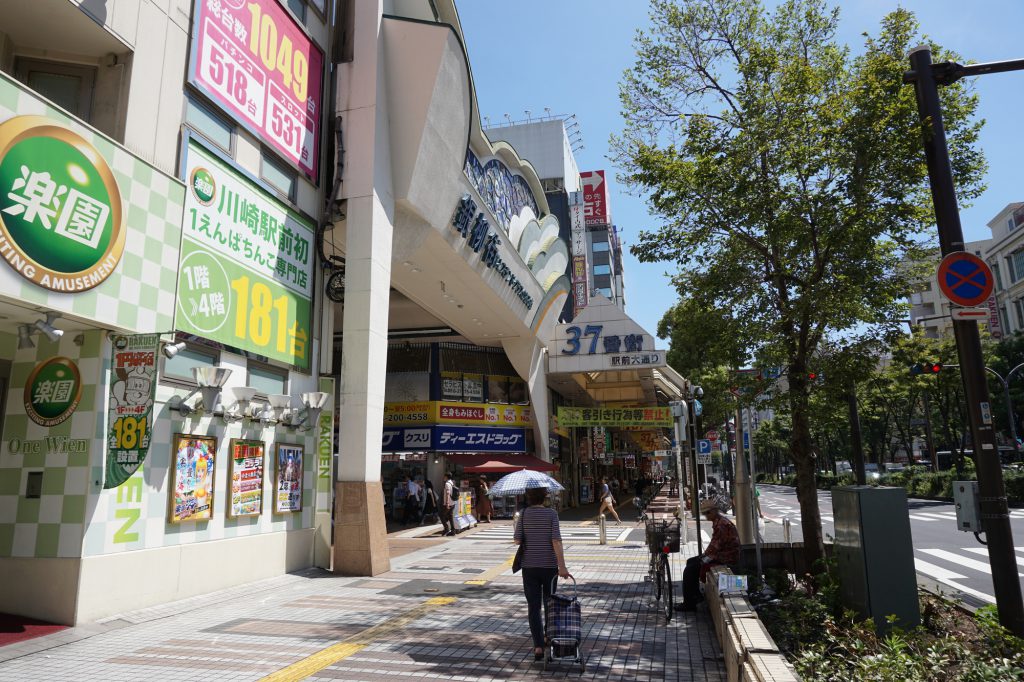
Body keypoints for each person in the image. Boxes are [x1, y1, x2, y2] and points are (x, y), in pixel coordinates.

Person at [514, 486, 571, 661]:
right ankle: (548, 636)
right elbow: (556, 540)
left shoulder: (523, 514)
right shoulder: (552, 514)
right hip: (549, 567)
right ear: (544, 497)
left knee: (533, 606)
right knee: (549, 604)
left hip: (529, 567)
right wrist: (562, 566)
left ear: (528, 497)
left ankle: (538, 646)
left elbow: (517, 540)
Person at [676, 498, 740, 612]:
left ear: (714, 511)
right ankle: (695, 595)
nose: (706, 516)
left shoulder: (722, 525)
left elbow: (715, 546)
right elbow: (715, 546)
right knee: (691, 561)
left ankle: (689, 603)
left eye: (707, 513)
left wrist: (704, 557)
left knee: (690, 570)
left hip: (726, 556)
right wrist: (704, 556)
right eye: (704, 513)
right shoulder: (719, 521)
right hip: (721, 553)